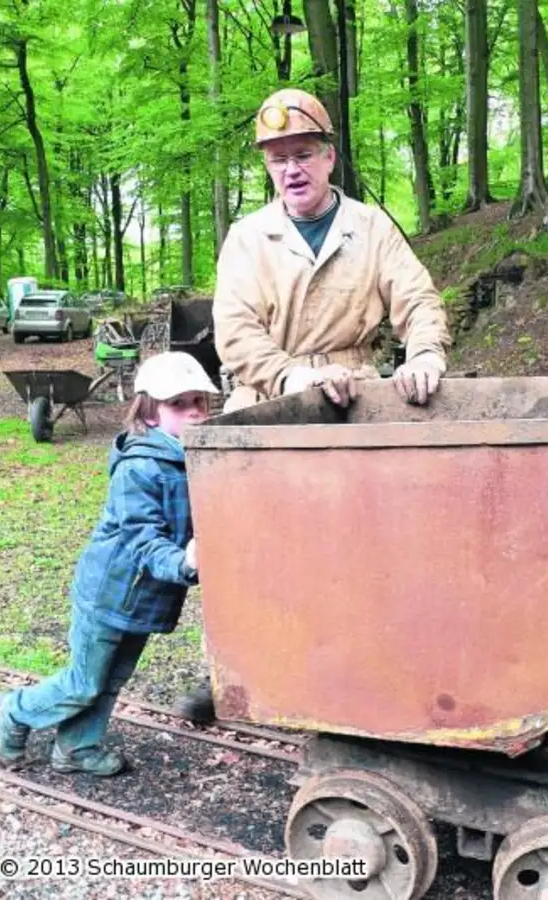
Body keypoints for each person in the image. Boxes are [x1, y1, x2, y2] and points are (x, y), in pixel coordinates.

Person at [171, 88, 453, 723]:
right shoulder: (248, 239)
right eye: (277, 159)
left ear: (329, 158)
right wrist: (289, 373)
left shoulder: (372, 228)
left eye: (303, 154)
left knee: (365, 546)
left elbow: (418, 298)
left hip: (356, 398)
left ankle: (362, 673)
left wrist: (426, 352)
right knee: (248, 545)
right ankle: (233, 673)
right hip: (266, 400)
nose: (291, 169)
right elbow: (235, 333)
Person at [0, 352, 219, 775]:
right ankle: (16, 709)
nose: (194, 412)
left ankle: (76, 747)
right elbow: (141, 540)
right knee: (83, 682)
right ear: (150, 414)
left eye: (200, 402)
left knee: (110, 680)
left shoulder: (193, 458)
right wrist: (185, 561)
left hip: (146, 598)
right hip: (108, 594)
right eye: (179, 404)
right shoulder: (140, 468)